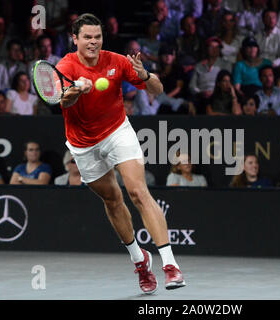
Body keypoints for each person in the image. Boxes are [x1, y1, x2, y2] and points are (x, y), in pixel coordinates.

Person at [54, 13, 185, 293]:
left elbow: (158, 89)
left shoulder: (117, 60)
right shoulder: (65, 65)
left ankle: (171, 266)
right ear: (75, 39)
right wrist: (77, 89)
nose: (93, 42)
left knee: (138, 192)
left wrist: (145, 75)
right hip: (83, 143)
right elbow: (62, 100)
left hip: (117, 131)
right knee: (113, 199)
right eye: (87, 37)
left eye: (97, 37)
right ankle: (140, 260)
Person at [188, 36, 232, 113]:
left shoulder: (226, 64)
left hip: (218, 94)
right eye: (211, 46)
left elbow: (228, 83)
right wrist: (200, 92)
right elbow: (192, 86)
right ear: (207, 49)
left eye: (217, 47)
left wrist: (215, 91)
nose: (214, 49)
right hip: (201, 95)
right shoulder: (199, 66)